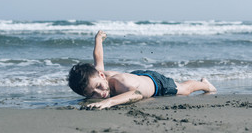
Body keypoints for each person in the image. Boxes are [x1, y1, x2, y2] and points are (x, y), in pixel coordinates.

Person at [68, 31, 217, 109]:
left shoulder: (120, 82)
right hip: (137, 77)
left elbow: (137, 94)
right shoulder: (98, 76)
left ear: (102, 76)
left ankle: (206, 85)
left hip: (155, 83)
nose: (100, 93)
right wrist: (98, 39)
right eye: (92, 94)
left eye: (98, 87)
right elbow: (98, 58)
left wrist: (109, 102)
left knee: (184, 90)